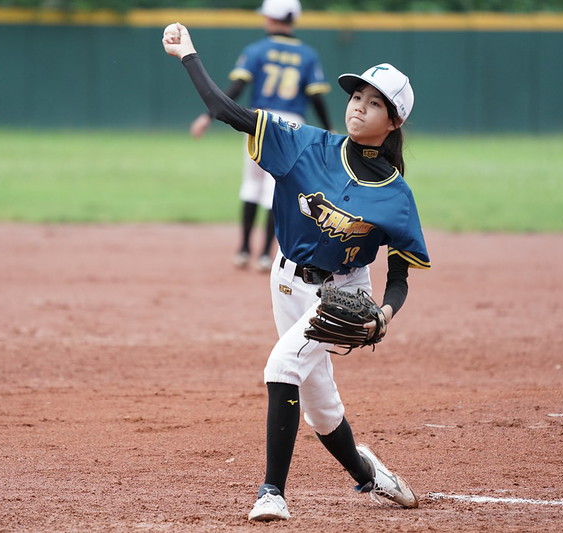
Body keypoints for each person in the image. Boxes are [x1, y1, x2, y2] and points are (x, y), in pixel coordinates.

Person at [163, 22, 430, 522]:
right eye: (357, 96)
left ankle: (272, 493)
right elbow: (227, 110)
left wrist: (387, 313)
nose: (358, 106)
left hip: (340, 295)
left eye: (374, 104)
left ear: (394, 122)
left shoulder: (396, 196)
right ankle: (371, 477)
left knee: (281, 368)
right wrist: (189, 54)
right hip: (285, 281)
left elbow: (400, 275)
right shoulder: (305, 144)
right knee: (321, 406)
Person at [189, 0, 333, 272]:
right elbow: (316, 98)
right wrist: (330, 128)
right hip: (292, 127)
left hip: (258, 122)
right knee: (276, 189)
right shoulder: (308, 55)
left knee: (251, 184)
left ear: (271, 18)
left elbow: (236, 87)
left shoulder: (256, 50)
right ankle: (266, 255)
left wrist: (207, 116)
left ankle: (243, 250)